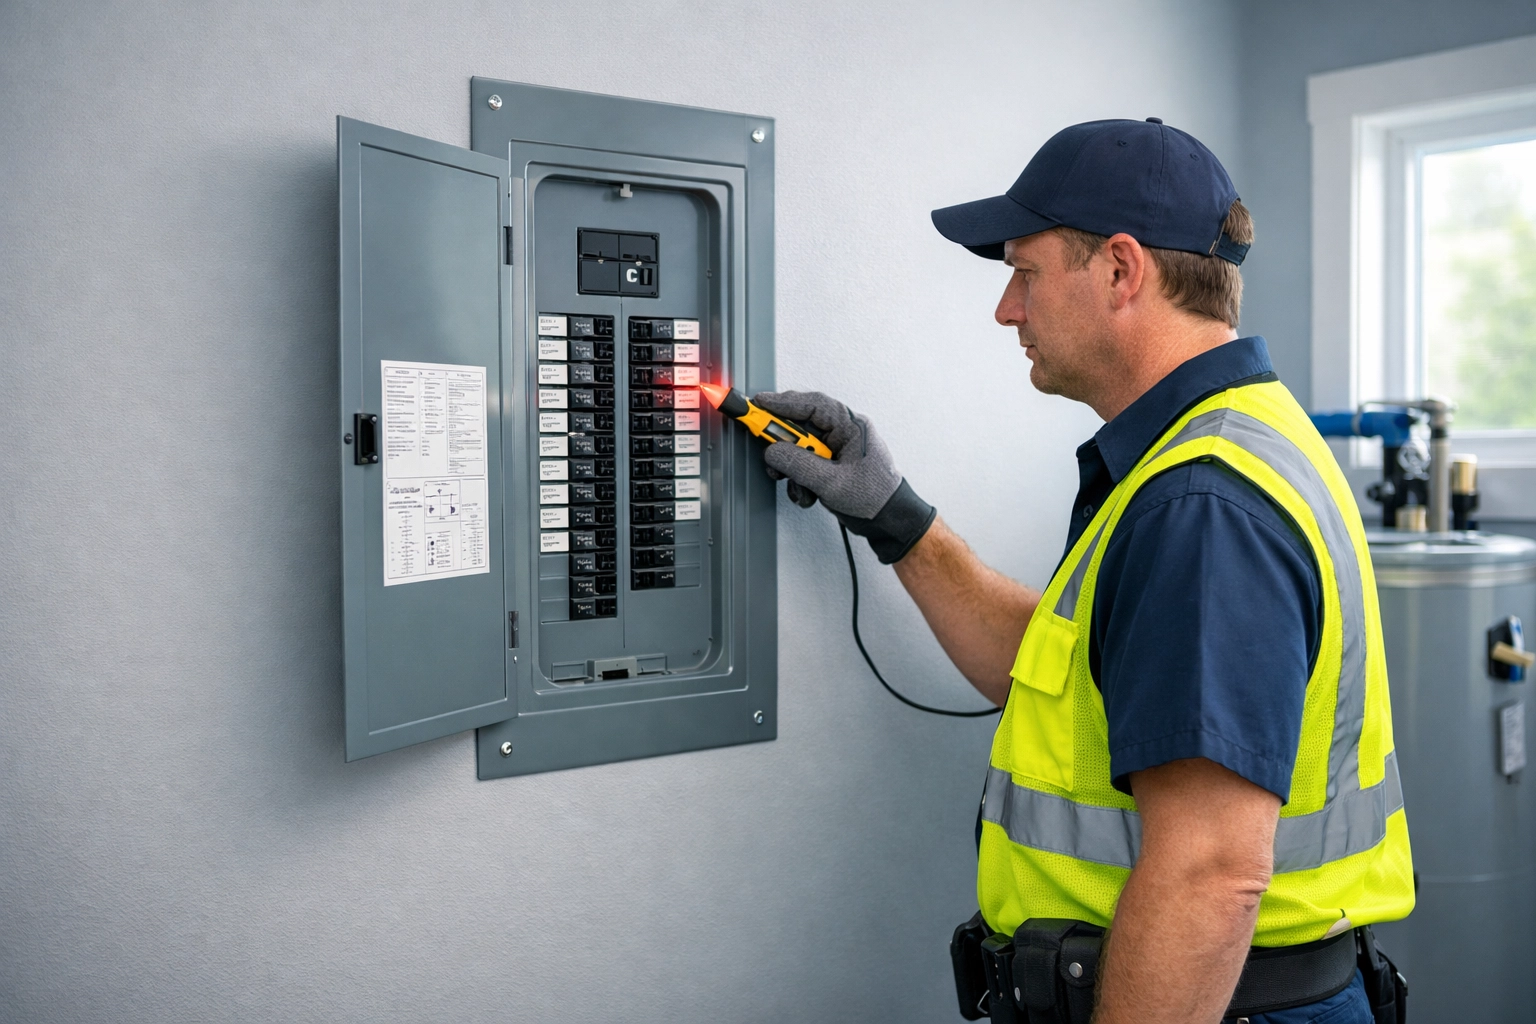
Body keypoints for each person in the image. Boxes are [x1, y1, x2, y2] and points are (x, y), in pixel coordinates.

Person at [754, 119, 1414, 1024]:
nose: (1006, 310)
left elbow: (1210, 873)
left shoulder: (1203, 504)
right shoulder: (1220, 447)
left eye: (1024, 273)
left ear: (1120, 269)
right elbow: (1055, 666)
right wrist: (890, 511)